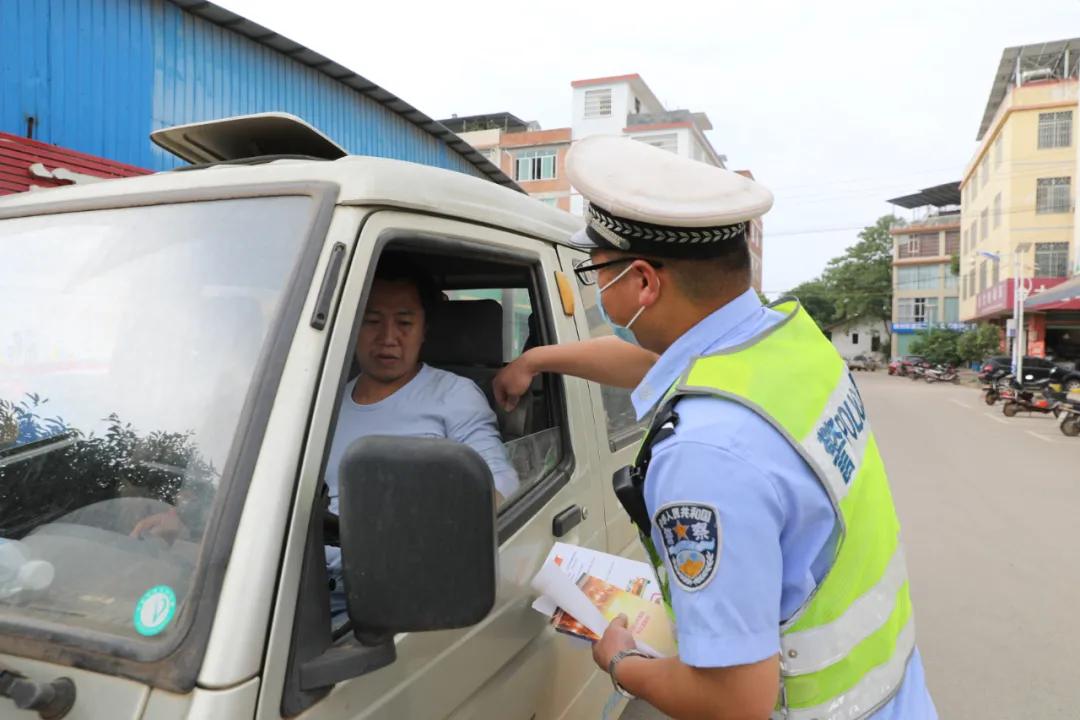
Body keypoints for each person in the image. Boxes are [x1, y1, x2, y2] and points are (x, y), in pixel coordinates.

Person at [494, 136, 936, 720]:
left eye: (594, 270)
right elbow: (662, 369)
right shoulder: (786, 344)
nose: (594, 287)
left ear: (644, 281)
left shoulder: (702, 455)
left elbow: (733, 703)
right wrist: (536, 360)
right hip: (892, 696)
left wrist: (620, 661)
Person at [136, 255, 518, 618]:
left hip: (389, 595)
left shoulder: (452, 395)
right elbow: (271, 481)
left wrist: (421, 538)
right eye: (371, 320)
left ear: (424, 330)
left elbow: (500, 486)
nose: (388, 338)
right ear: (352, 324)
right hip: (292, 582)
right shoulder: (324, 399)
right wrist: (191, 518)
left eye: (404, 323)